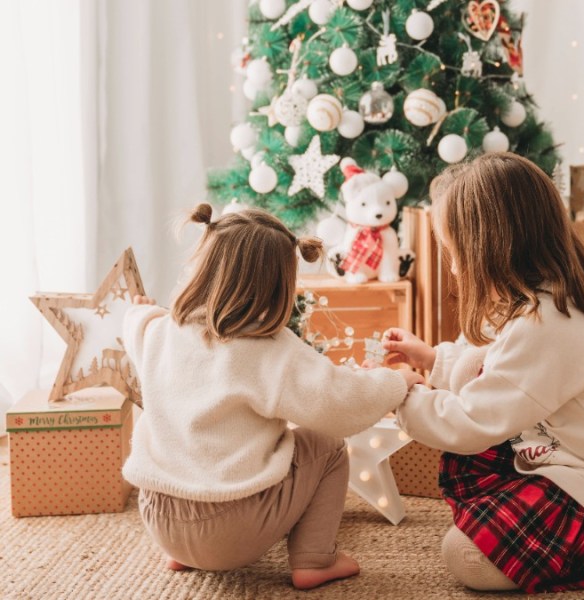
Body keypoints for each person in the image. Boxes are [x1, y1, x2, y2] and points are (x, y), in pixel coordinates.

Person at [382, 153, 584, 594]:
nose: (453, 266)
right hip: (570, 462)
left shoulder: (548, 327)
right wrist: (431, 361)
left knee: (466, 556)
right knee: (479, 462)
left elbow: (472, 421)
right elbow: (485, 358)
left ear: (489, 249)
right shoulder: (533, 306)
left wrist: (401, 395)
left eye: (453, 251)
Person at [122, 203, 423, 590]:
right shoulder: (269, 350)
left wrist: (138, 312)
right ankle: (316, 558)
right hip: (229, 533)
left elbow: (135, 326)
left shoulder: (161, 332)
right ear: (278, 284)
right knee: (327, 447)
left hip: (159, 517)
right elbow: (340, 402)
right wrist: (395, 380)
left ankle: (184, 555)